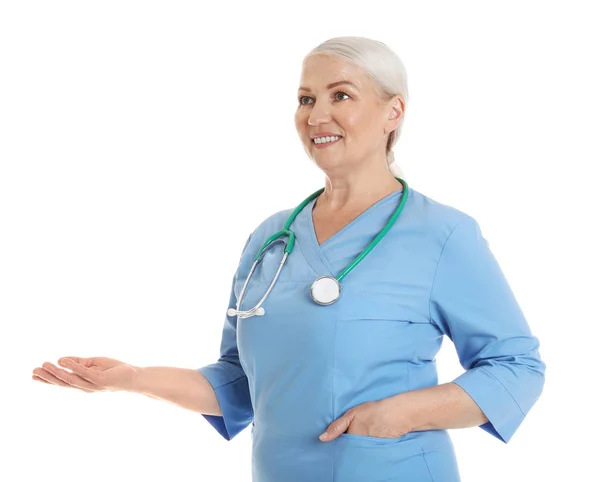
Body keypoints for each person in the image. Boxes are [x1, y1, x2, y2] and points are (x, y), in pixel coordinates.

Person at [32, 36, 546, 481]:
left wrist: (402, 413)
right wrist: (133, 377)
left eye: (340, 95)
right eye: (306, 98)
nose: (317, 116)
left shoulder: (443, 234)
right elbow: (239, 384)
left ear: (394, 111)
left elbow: (517, 366)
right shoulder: (270, 237)